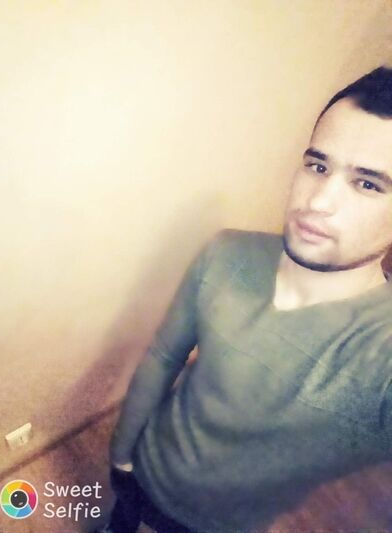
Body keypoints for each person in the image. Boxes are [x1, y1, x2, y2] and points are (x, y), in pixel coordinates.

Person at [98, 66, 392, 533]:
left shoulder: (380, 354)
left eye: (368, 184)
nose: (317, 202)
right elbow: (163, 356)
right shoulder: (226, 253)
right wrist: (122, 453)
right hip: (145, 465)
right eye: (318, 166)